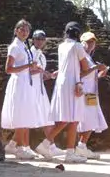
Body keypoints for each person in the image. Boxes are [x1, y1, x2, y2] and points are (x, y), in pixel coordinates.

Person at [35, 21, 89, 164]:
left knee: (70, 118)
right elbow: (85, 67)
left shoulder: (61, 46)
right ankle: (46, 144)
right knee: (70, 117)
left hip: (62, 82)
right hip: (72, 83)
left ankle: (68, 151)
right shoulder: (77, 46)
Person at [1, 20, 45, 161]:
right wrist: (28, 66)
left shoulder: (23, 46)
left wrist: (35, 69)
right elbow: (8, 69)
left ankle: (15, 145)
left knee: (25, 115)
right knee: (21, 115)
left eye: (27, 30)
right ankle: (18, 147)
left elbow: (25, 68)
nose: (25, 32)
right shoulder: (14, 46)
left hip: (26, 83)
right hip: (19, 84)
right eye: (22, 29)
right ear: (16, 30)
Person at [76, 31, 109, 159]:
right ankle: (81, 145)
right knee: (87, 119)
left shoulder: (89, 58)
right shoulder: (82, 56)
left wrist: (101, 73)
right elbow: (80, 74)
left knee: (91, 119)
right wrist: (96, 68)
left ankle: (82, 145)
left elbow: (91, 76)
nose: (91, 44)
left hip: (91, 92)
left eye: (92, 42)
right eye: (88, 42)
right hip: (84, 92)